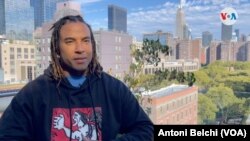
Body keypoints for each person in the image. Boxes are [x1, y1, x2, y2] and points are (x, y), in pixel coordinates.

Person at [0, 15, 153, 141]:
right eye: (70, 41)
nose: (80, 49)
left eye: (85, 40)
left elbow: (146, 129)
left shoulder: (113, 89)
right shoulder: (33, 94)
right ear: (56, 48)